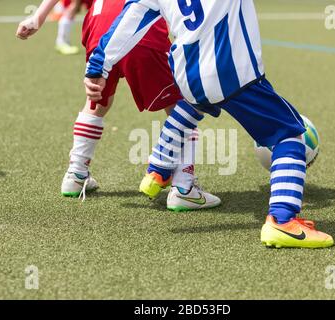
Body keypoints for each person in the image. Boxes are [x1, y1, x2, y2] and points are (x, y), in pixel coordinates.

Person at [84, 0, 334, 248]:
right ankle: (283, 221)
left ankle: (158, 170)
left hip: (187, 74)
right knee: (288, 134)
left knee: (192, 106)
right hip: (231, 70)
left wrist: (98, 68)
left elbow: (131, 17)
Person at [16, 0, 220, 210]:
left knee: (96, 103)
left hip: (99, 28)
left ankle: (76, 175)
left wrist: (37, 17)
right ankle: (184, 188)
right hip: (139, 28)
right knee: (182, 106)